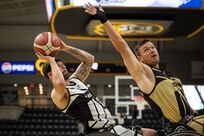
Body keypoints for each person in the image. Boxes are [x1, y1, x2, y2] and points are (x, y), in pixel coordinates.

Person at [84, 3, 204, 134]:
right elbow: (122, 47)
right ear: (140, 59)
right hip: (184, 128)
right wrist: (103, 19)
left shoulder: (166, 74)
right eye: (146, 50)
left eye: (153, 47)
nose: (152, 50)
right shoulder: (145, 74)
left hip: (195, 121)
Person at [36, 37, 157, 136]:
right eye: (59, 66)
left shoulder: (75, 80)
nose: (63, 67)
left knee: (151, 133)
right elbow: (60, 83)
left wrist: (65, 48)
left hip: (112, 129)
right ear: (51, 74)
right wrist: (51, 61)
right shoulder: (56, 94)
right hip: (97, 133)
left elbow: (89, 60)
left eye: (62, 65)